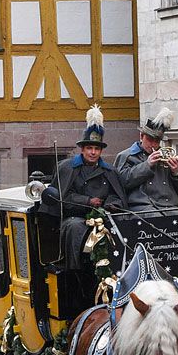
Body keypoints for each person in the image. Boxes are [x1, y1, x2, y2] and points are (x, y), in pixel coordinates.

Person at [39, 104, 127, 271]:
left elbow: (118, 196)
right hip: (74, 217)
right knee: (75, 228)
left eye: (96, 149)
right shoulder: (66, 168)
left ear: (101, 151)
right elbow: (62, 197)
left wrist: (110, 204)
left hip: (104, 217)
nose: (93, 152)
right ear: (82, 149)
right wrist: (88, 201)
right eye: (89, 148)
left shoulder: (111, 171)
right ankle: (76, 271)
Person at [114, 107, 178, 211]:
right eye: (149, 140)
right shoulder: (127, 156)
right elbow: (121, 183)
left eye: (157, 141)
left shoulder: (166, 155)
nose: (153, 144)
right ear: (141, 136)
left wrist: (176, 174)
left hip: (170, 206)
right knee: (155, 217)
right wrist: (147, 165)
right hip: (142, 207)